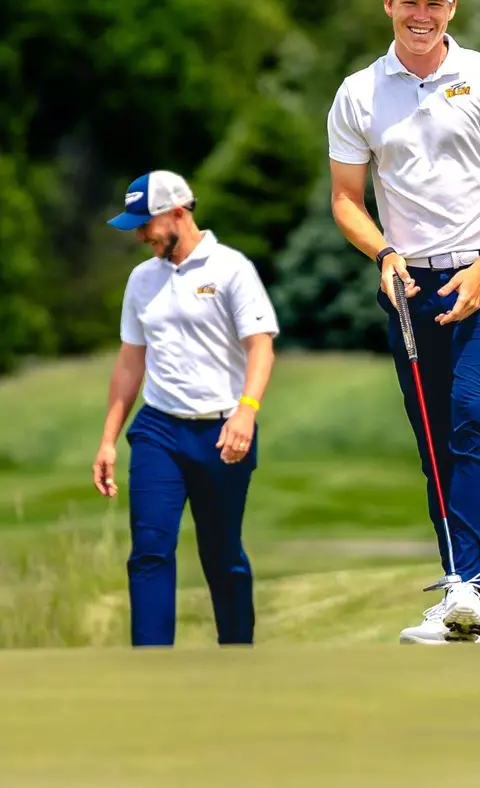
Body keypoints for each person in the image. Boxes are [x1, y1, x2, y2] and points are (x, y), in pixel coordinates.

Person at [327, 0, 480, 644]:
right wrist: (382, 252)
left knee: (474, 412)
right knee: (435, 440)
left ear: (453, 8)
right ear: (387, 4)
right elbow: (346, 200)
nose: (422, 16)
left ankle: (473, 584)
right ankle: (459, 599)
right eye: (409, 2)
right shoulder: (359, 94)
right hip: (410, 282)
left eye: (435, 4)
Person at [92, 170, 279, 646]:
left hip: (221, 431)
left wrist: (246, 411)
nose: (139, 235)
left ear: (178, 213)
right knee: (150, 550)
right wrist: (108, 440)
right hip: (158, 428)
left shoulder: (230, 268)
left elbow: (260, 347)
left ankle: (237, 655)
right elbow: (131, 361)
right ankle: (151, 668)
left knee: (221, 554)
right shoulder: (141, 280)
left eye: (145, 223)